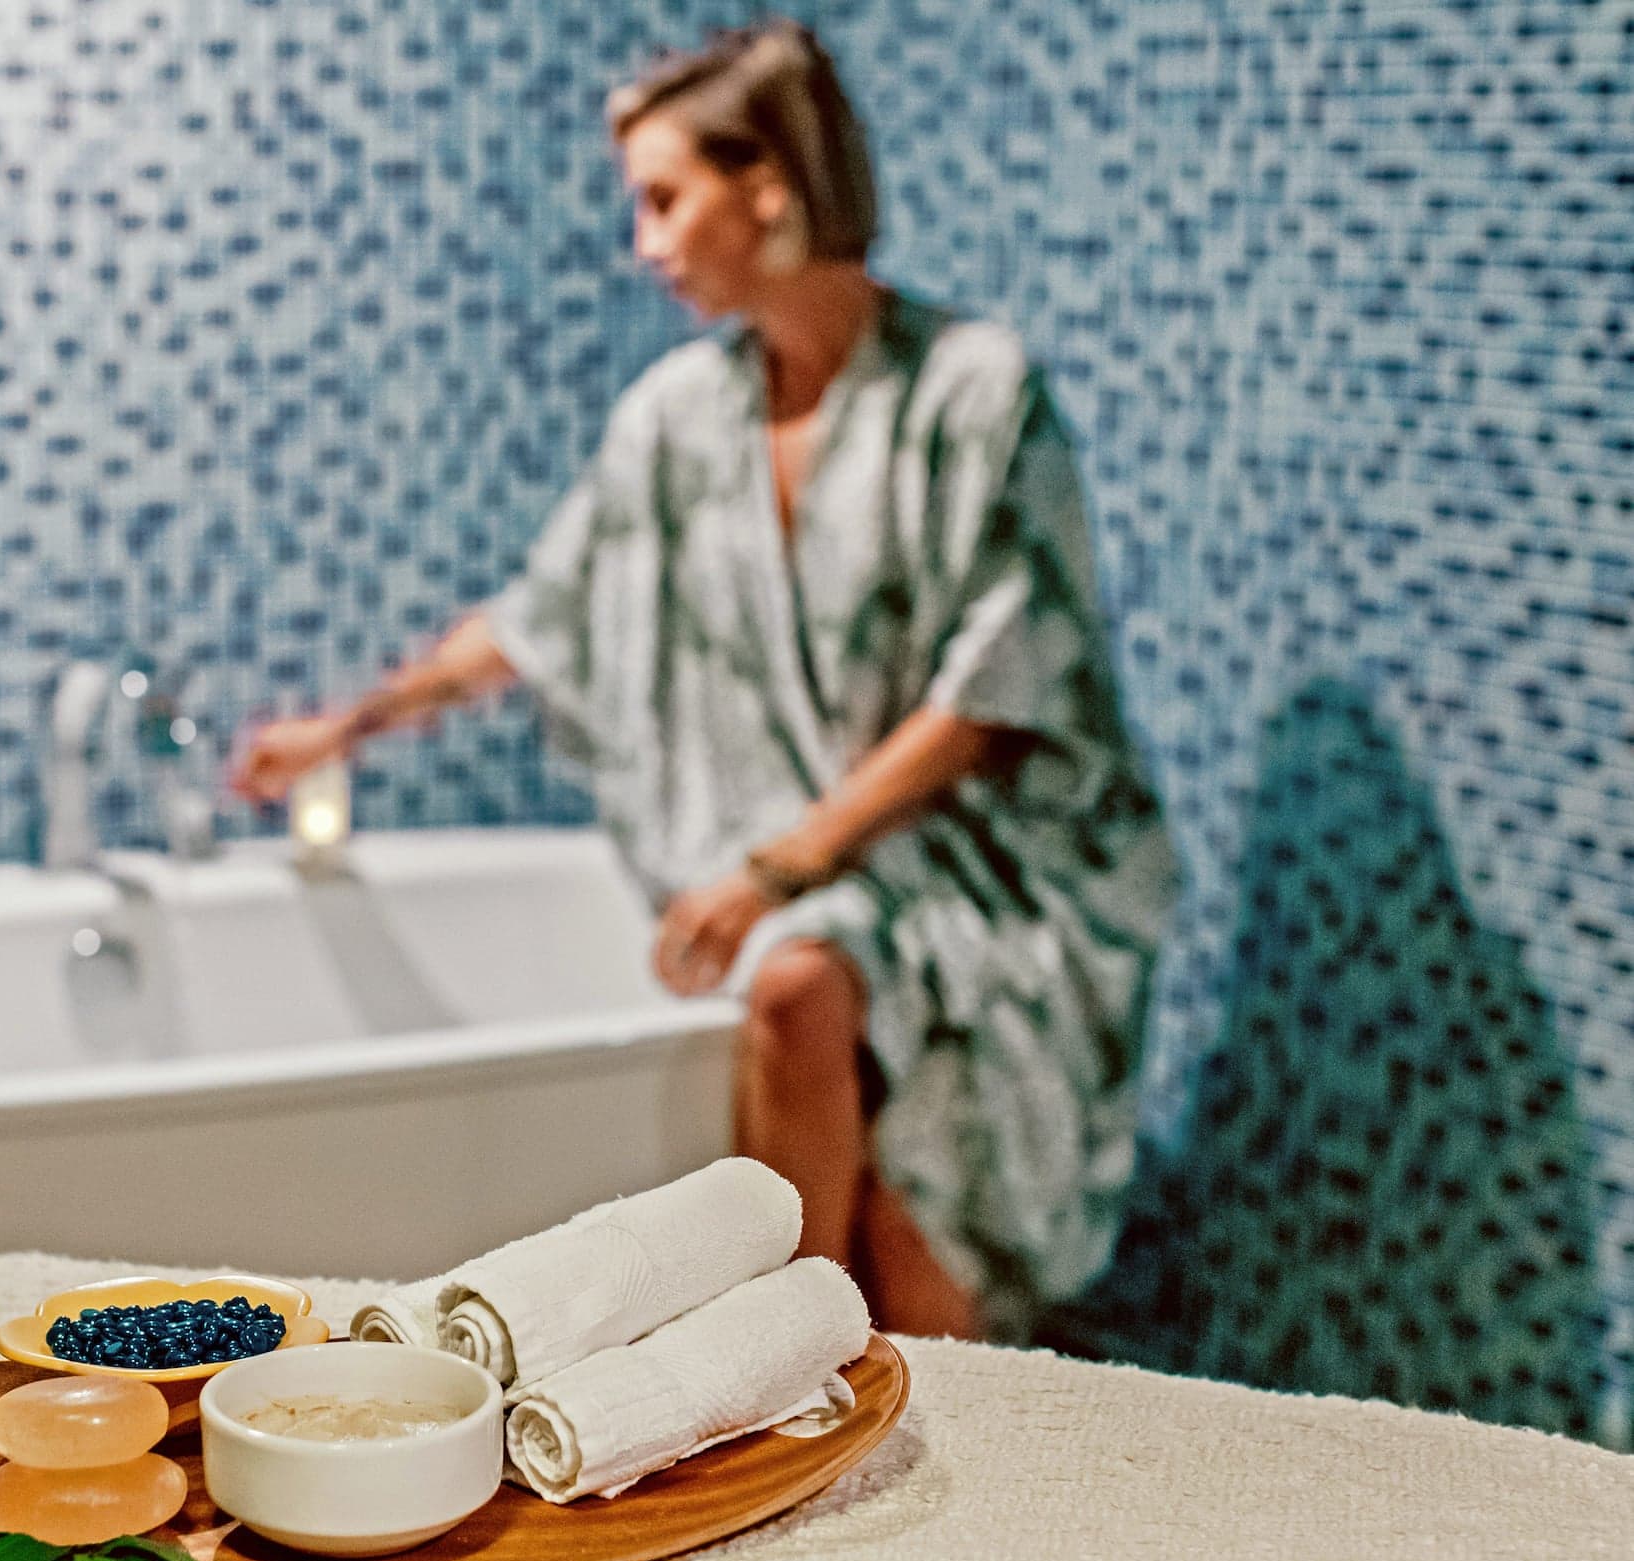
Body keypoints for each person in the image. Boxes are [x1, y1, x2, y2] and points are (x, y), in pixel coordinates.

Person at [230, 24, 1175, 1341]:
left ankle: (820, 1391)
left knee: (909, 1222)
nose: (645, 245)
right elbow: (546, 609)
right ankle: (786, 1380)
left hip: (984, 866)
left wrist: (778, 868)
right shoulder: (681, 417)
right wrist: (352, 725)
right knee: (803, 990)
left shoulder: (971, 392)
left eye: (665, 200)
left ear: (769, 188)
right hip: (822, 885)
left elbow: (993, 685)